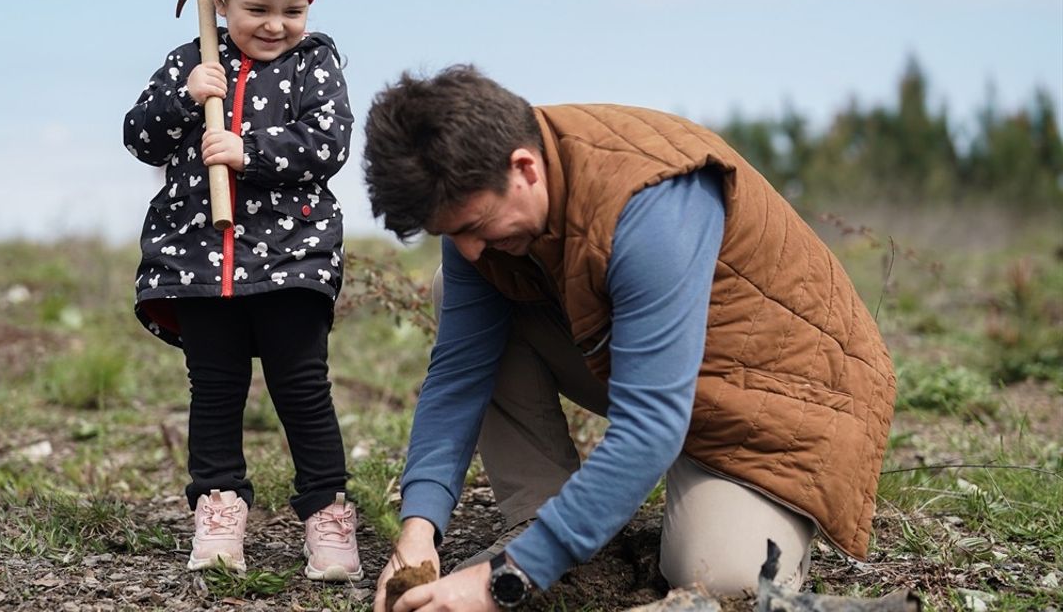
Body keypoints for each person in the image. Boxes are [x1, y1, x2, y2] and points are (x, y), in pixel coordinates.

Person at [362, 66, 896, 611]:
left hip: (780, 392)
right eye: (451, 233)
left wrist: (503, 583)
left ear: (523, 168)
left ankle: (553, 547)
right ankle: (541, 522)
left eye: (475, 226)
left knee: (721, 581)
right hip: (654, 363)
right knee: (452, 284)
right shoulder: (480, 205)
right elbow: (458, 374)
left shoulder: (650, 204)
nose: (470, 248)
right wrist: (418, 531)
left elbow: (651, 423)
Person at [123, 0, 361, 582]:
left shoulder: (316, 63)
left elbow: (328, 144)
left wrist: (246, 150)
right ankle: (220, 509)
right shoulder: (189, 63)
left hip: (291, 261)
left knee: (302, 388)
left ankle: (327, 514)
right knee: (215, 389)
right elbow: (139, 137)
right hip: (198, 262)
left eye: (292, 9)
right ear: (221, 1)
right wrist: (183, 98)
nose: (276, 24)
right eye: (257, 8)